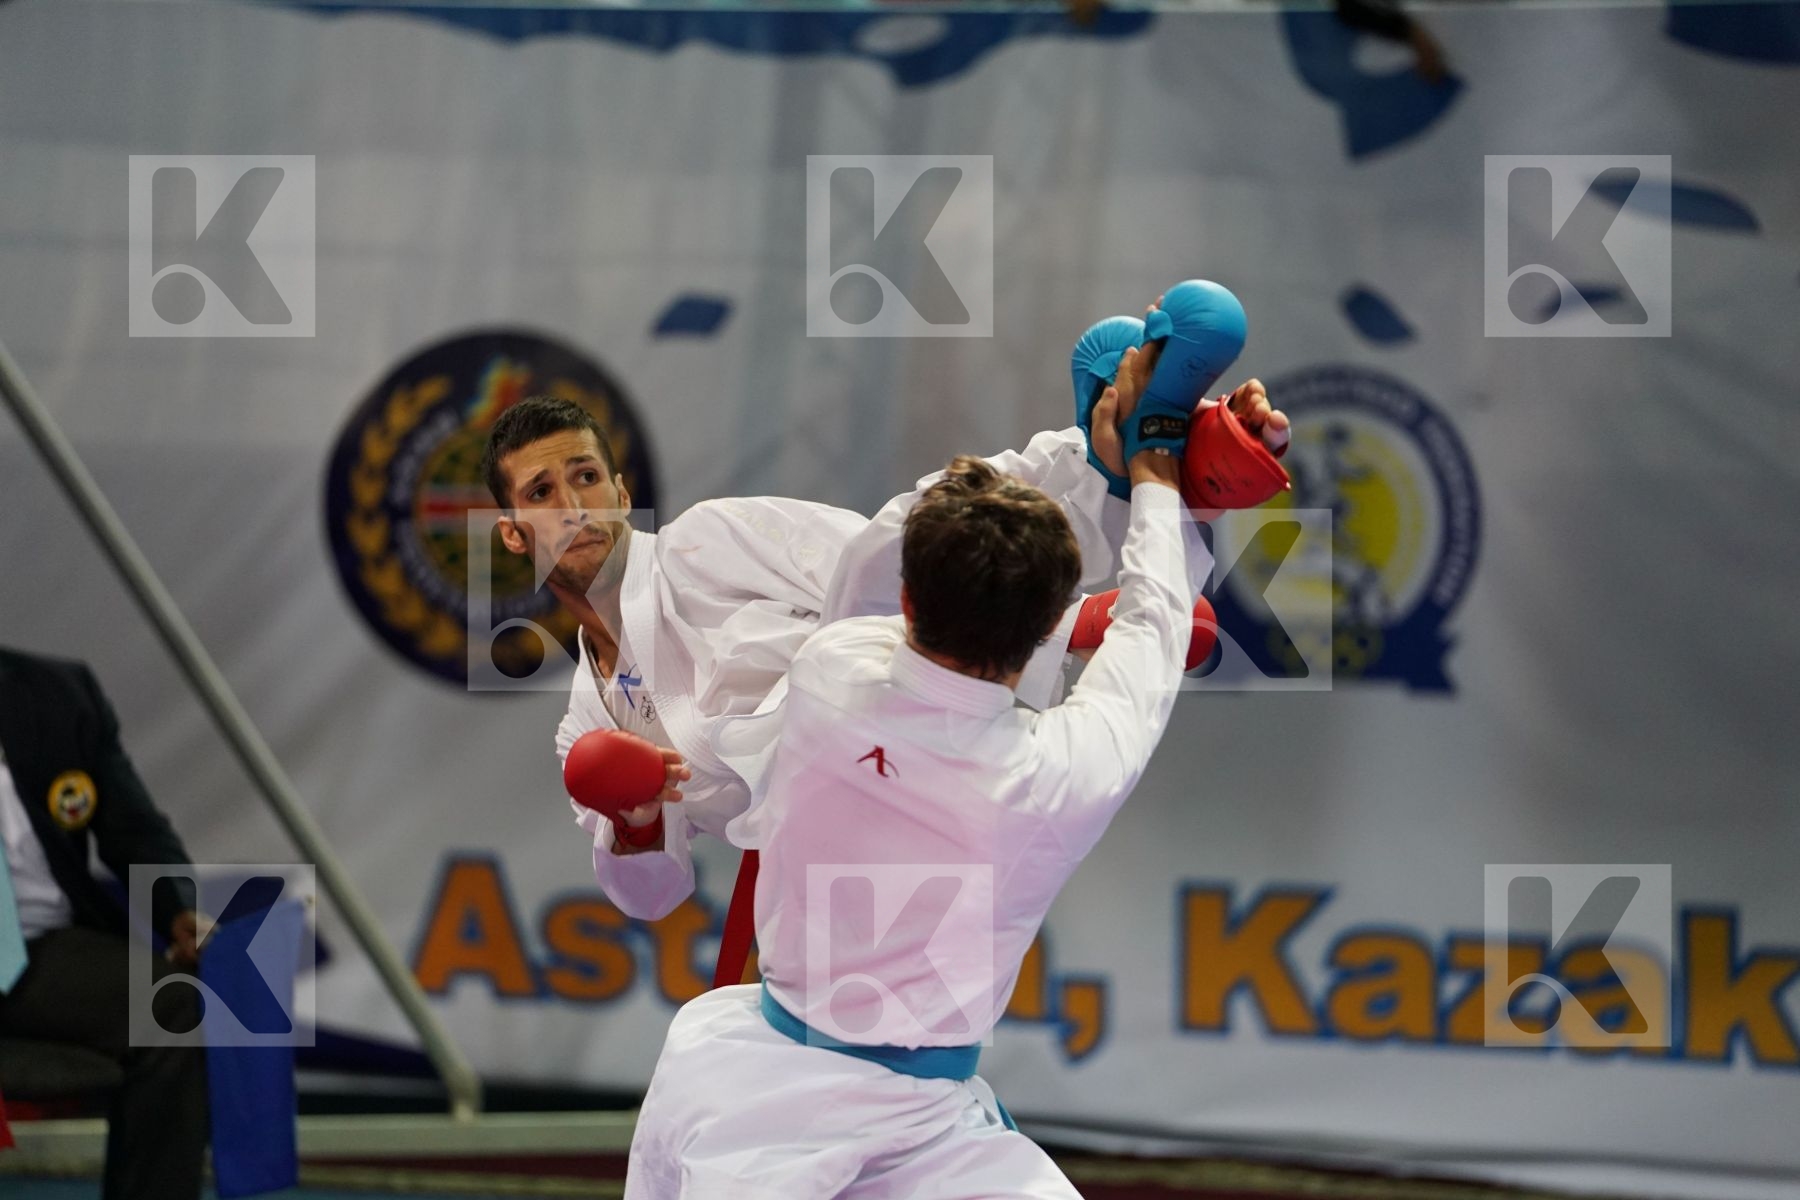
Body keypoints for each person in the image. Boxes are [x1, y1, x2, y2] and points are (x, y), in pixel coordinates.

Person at [623, 347, 1209, 1198]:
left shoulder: (831, 667)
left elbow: (891, 540)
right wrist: (1161, 473)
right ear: (1049, 621)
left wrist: (1098, 460)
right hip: (791, 1117)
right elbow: (1154, 627)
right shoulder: (1052, 780)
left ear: (908, 602)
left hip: (830, 1097)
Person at [0, 647, 207, 1200]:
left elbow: (134, 828)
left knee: (175, 1006)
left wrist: (178, 910)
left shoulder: (59, 694)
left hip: (32, 949)